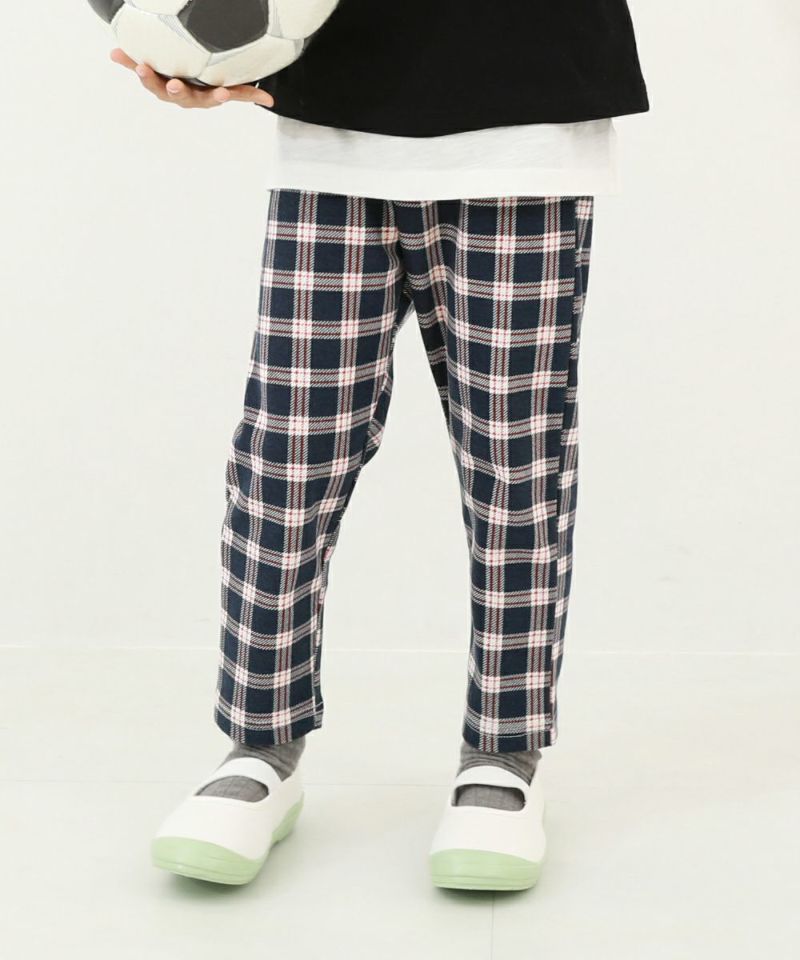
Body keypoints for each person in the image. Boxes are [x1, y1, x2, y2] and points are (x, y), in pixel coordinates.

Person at [113, 0, 649, 892]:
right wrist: (184, 38)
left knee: (515, 465)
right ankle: (261, 745)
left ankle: (503, 755)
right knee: (286, 460)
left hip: (526, 125)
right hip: (336, 126)